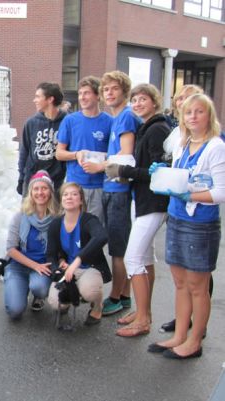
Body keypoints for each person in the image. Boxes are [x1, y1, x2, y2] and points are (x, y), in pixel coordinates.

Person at [148, 94, 225, 359]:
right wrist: (161, 172)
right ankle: (179, 336)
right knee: (180, 283)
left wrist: (189, 196)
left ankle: (194, 342)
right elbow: (181, 177)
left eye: (199, 112)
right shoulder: (182, 143)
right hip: (177, 218)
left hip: (200, 224)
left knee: (197, 286)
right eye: (188, 112)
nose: (192, 116)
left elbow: (221, 192)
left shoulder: (216, 147)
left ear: (209, 116)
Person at [105, 84, 170, 336]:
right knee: (144, 259)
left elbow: (158, 173)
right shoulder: (147, 127)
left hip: (152, 202)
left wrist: (123, 171)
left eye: (143, 99)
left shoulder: (156, 129)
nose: (138, 103)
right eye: (135, 99)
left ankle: (143, 320)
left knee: (133, 258)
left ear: (154, 102)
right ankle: (144, 312)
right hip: (142, 200)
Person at [160, 84, 205, 334]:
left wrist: (190, 192)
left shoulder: (214, 142)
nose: (186, 107)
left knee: (198, 279)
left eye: (193, 105)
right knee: (181, 279)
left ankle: (198, 328)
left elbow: (217, 187)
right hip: (176, 211)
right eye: (181, 101)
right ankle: (182, 324)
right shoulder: (179, 138)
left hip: (198, 217)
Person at [100, 71, 140, 316]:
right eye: (106, 90)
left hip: (119, 190)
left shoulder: (125, 117)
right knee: (119, 245)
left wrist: (99, 165)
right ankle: (124, 295)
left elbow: (126, 156)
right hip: (112, 188)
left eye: (114, 89)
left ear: (124, 91)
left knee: (118, 247)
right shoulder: (117, 118)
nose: (109, 93)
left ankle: (114, 297)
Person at [46, 183, 111, 325]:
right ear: (61, 200)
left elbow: (101, 237)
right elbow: (50, 255)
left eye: (74, 194)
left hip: (89, 267)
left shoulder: (89, 220)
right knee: (55, 302)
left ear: (81, 200)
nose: (69, 197)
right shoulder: (56, 224)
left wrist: (77, 260)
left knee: (89, 292)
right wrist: (59, 266)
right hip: (67, 270)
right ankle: (67, 301)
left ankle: (98, 306)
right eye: (65, 194)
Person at [56, 76, 112, 222]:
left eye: (86, 93)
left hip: (99, 186)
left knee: (95, 231)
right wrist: (77, 154)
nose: (82, 97)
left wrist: (101, 162)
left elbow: (116, 155)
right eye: (80, 93)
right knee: (73, 229)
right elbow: (59, 153)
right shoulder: (70, 120)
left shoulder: (110, 122)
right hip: (74, 185)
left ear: (98, 96)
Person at [4, 170, 58, 319]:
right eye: (36, 188)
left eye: (44, 188)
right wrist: (34, 266)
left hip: (43, 266)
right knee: (15, 311)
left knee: (39, 288)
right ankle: (16, 286)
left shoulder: (57, 218)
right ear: (31, 192)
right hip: (18, 265)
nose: (40, 192)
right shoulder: (20, 216)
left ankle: (37, 295)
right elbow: (10, 249)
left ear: (51, 192)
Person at [17, 82, 67, 196]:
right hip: (32, 180)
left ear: (50, 99)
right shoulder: (31, 123)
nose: (34, 100)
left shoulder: (67, 121)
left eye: (38, 97)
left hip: (56, 182)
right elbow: (24, 152)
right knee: (29, 214)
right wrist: (21, 178)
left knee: (54, 214)